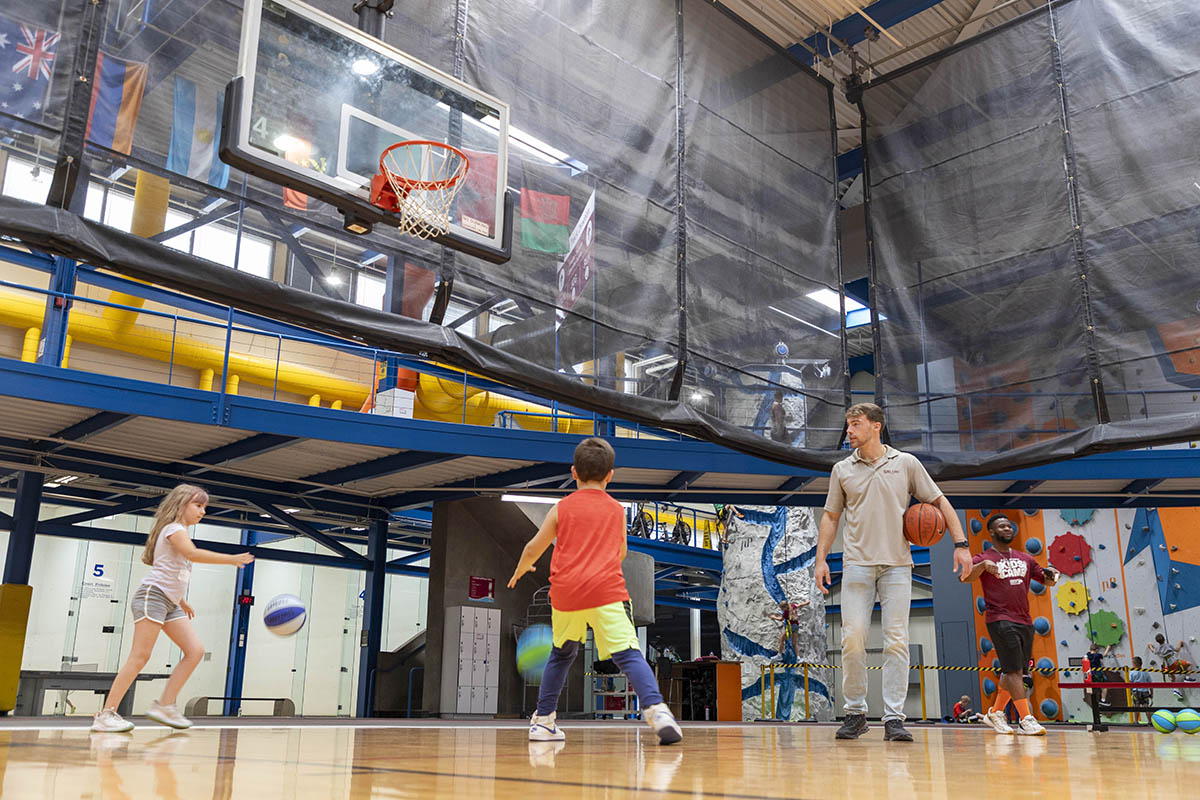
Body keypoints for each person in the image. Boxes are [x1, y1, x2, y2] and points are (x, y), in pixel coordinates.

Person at [507, 437, 682, 745]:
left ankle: (544, 722)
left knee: (561, 655)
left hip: (565, 594)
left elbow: (534, 546)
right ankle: (657, 711)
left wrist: (522, 568)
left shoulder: (561, 508)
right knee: (628, 654)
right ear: (610, 475)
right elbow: (621, 552)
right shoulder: (616, 510)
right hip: (604, 591)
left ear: (574, 472)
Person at [815, 402, 970, 742]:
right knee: (852, 639)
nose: (849, 431)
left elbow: (940, 502)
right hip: (856, 564)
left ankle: (894, 718)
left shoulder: (905, 464)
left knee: (896, 641)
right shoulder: (842, 469)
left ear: (876, 426)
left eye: (855, 424)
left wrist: (961, 543)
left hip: (898, 566)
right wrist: (820, 559)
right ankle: (855, 713)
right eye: (848, 425)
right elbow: (830, 517)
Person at [91, 484, 254, 732]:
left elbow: (172, 571)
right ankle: (106, 714)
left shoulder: (179, 531)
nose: (203, 511)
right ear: (181, 505)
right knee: (140, 656)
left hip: (170, 602)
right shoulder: (174, 529)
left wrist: (182, 600)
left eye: (204, 507)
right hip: (152, 597)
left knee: (195, 651)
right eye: (198, 505)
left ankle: (165, 705)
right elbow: (192, 554)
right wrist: (230, 559)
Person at [963, 513, 1058, 736]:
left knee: (1014, 671)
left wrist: (1053, 575)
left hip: (1025, 620)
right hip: (1000, 619)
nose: (1007, 529)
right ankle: (1026, 719)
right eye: (1002, 526)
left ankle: (995, 712)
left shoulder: (1025, 558)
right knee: (1015, 671)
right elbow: (966, 577)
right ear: (993, 532)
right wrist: (983, 566)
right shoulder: (983, 557)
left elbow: (1045, 580)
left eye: (1009, 526)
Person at [1147, 633, 1191, 700]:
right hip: (1174, 662)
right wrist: (1180, 642)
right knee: (1189, 664)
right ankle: (1187, 678)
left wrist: (1150, 646)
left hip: (1166, 666)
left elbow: (1153, 651)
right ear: (1164, 639)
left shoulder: (1158, 648)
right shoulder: (1168, 645)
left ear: (1157, 642)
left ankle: (1175, 689)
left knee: (1172, 677)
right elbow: (1177, 650)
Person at [1130, 656, 1153, 724]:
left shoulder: (1132, 672)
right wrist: (1152, 693)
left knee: (1136, 707)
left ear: (1134, 664)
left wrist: (1131, 692)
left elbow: (1130, 683)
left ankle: (1136, 721)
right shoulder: (1145, 672)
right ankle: (1149, 721)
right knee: (1146, 706)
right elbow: (1150, 684)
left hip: (1136, 691)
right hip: (1145, 691)